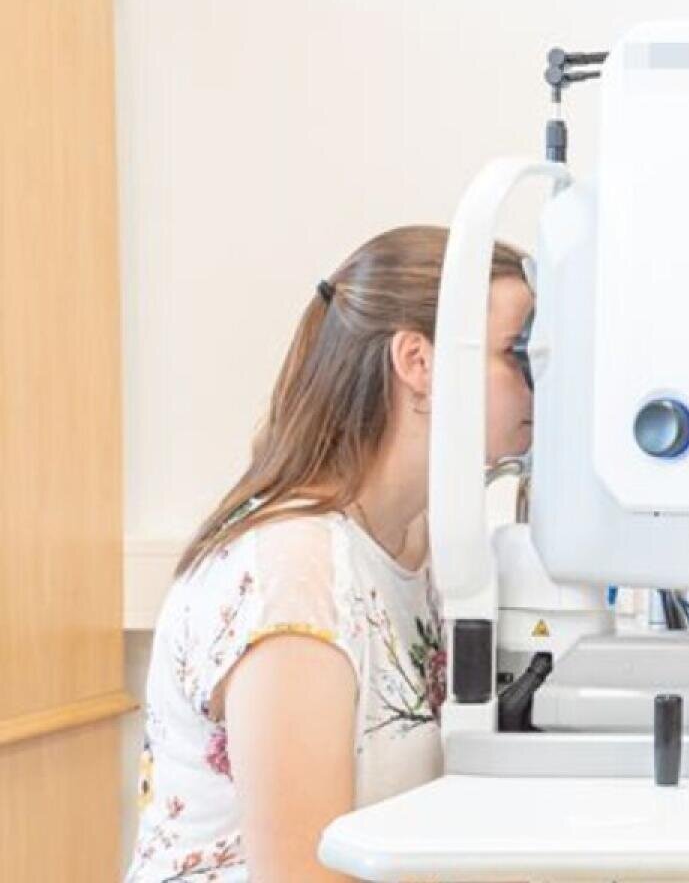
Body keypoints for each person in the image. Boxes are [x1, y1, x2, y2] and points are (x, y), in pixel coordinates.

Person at [126, 226, 534, 882]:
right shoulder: (295, 570)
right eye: (517, 354)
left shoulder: (416, 544)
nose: (537, 386)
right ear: (418, 362)